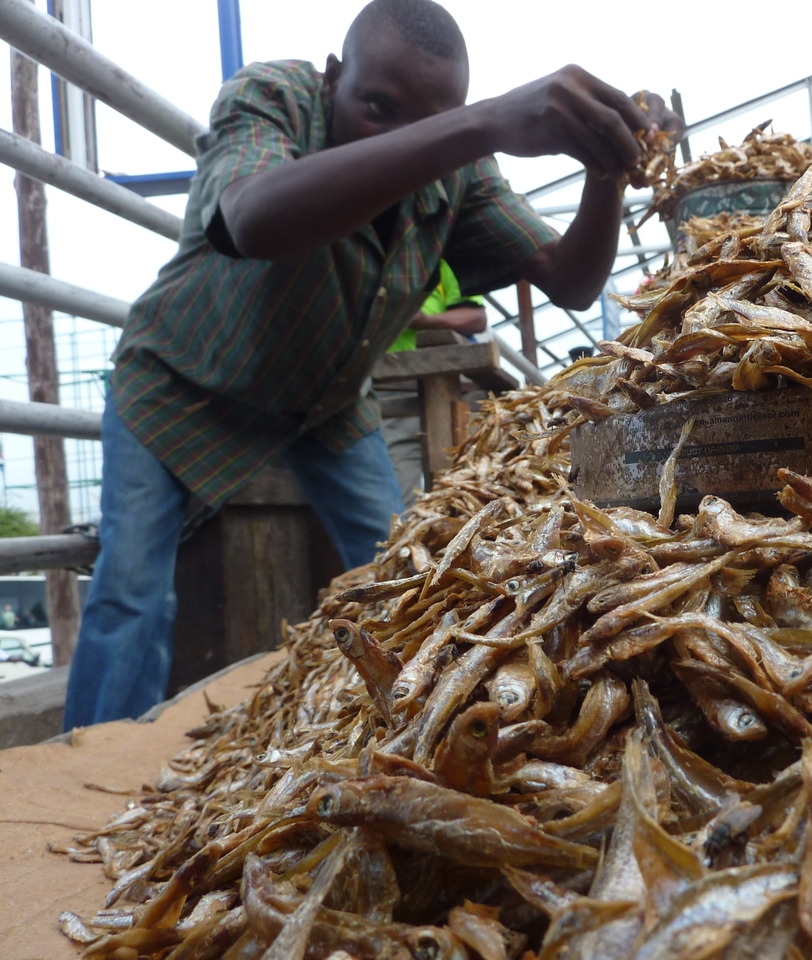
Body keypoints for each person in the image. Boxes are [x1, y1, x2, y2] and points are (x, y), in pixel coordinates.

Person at [63, 0, 681, 729]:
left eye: (426, 122)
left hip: (324, 403)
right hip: (178, 381)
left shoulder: (461, 174)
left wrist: (608, 171)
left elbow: (569, 279)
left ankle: (423, 732)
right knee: (132, 593)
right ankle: (90, 772)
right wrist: (477, 123)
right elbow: (252, 218)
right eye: (375, 107)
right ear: (333, 79)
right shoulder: (274, 98)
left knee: (409, 571)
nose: (398, 134)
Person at [382, 259, 487, 507]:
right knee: (396, 495)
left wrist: (423, 320)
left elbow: (476, 318)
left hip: (446, 388)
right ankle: (403, 540)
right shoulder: (370, 263)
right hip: (389, 389)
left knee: (458, 486)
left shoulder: (444, 262)